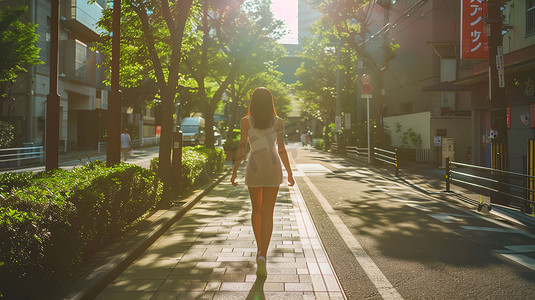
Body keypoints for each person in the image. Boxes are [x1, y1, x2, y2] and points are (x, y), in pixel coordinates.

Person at [231, 87, 295, 277]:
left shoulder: (246, 121)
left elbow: (242, 148)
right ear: (270, 102)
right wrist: (290, 173)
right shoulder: (278, 122)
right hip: (273, 167)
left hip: (254, 166)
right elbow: (282, 149)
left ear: (253, 101)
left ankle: (259, 249)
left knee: (256, 210)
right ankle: (264, 255)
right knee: (268, 213)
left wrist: (234, 170)